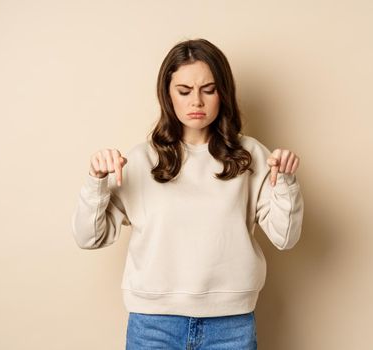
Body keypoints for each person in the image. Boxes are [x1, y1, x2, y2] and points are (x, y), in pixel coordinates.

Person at [71, 38, 304, 350]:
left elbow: (285, 238)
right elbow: (89, 237)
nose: (197, 101)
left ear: (224, 92)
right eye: (184, 91)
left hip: (231, 325)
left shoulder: (251, 156)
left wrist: (286, 181)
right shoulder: (140, 159)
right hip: (153, 325)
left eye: (208, 89)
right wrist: (96, 181)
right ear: (168, 94)